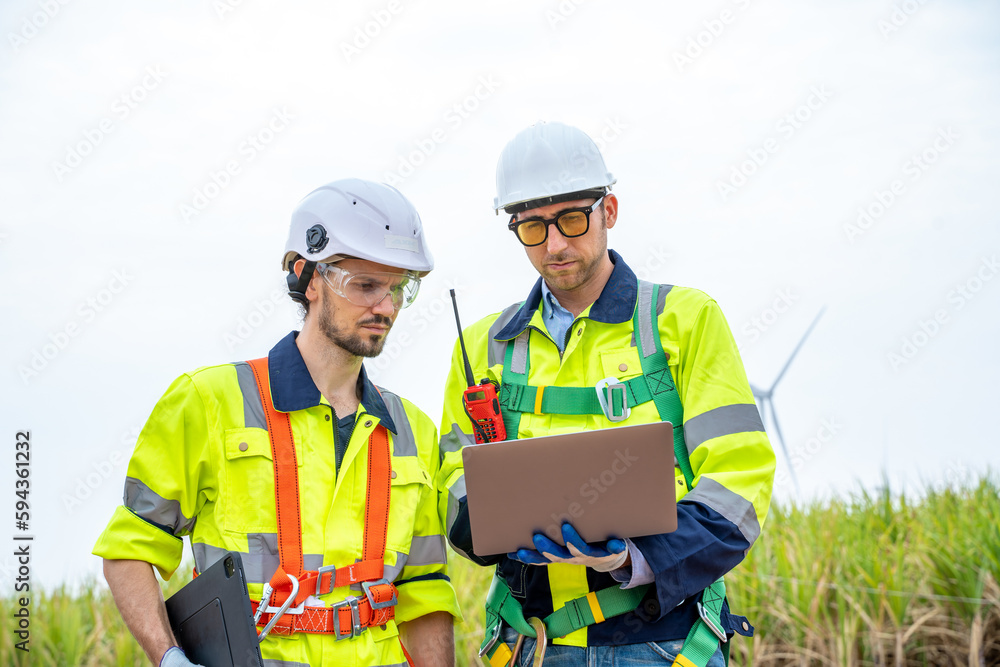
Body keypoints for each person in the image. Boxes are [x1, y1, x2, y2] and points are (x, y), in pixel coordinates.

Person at [438, 122, 776, 666]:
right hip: (533, 644)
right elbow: (451, 477)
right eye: (531, 228)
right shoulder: (482, 347)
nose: (554, 244)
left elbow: (739, 484)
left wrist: (632, 556)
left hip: (665, 643)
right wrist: (489, 525)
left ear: (609, 211)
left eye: (572, 219)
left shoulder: (684, 321)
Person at [94, 178, 461, 667]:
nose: (387, 307)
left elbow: (424, 590)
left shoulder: (412, 428)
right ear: (308, 278)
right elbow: (129, 548)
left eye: (398, 289)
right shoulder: (208, 400)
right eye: (366, 285)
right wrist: (168, 659)